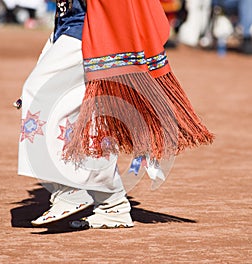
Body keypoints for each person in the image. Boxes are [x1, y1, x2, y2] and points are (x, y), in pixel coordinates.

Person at [16, 0, 213, 230]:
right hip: (73, 22)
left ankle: (70, 188)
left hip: (90, 26)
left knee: (38, 91)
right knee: (87, 116)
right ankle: (112, 205)